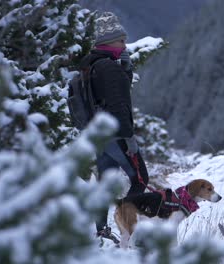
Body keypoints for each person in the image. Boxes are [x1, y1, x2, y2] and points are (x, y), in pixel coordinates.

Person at [80, 12, 149, 239]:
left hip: (101, 138)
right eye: (121, 40)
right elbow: (119, 105)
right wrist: (129, 139)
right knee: (140, 179)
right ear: (108, 41)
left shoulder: (94, 65)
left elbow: (110, 95)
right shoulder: (109, 68)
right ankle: (127, 227)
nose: (125, 44)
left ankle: (102, 231)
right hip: (118, 135)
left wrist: (126, 70)